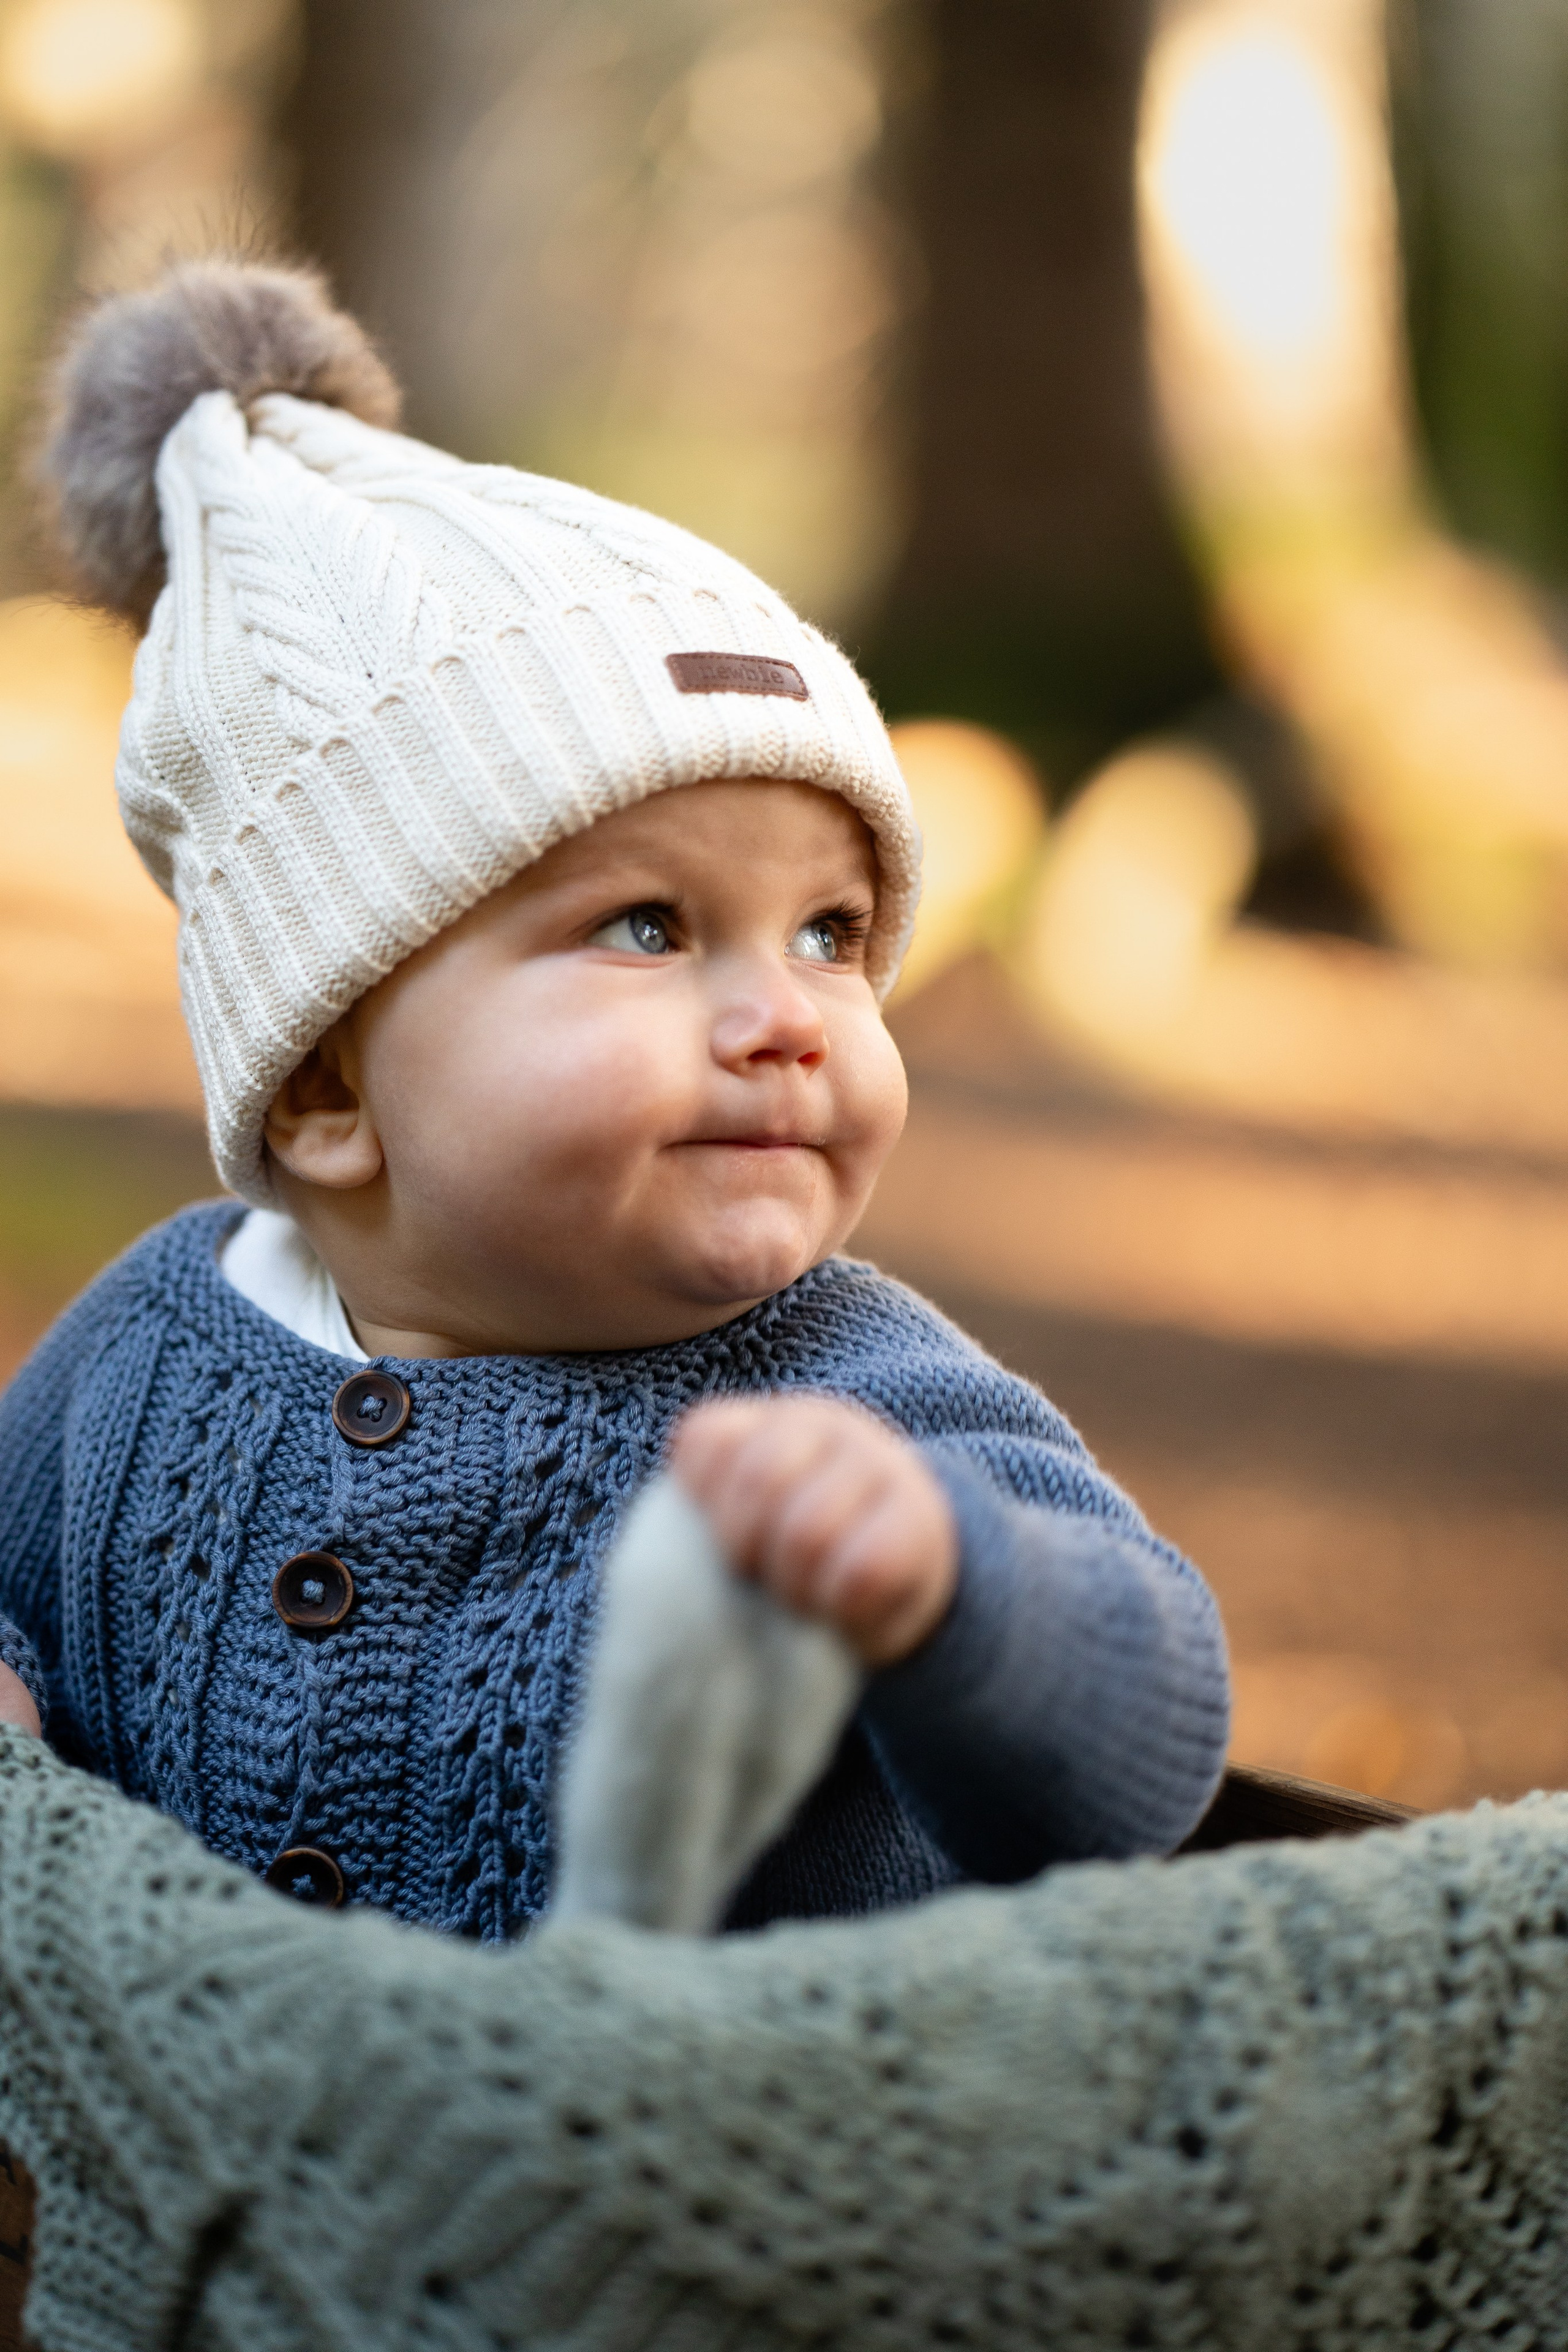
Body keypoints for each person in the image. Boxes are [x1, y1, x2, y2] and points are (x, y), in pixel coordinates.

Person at [0, 260, 1229, 1939]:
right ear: (328, 1083)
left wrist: (953, 1588)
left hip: (727, 2120)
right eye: (650, 927)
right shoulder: (144, 1351)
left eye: (832, 933)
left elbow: (1142, 1762)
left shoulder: (858, 1406)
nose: (787, 1017)